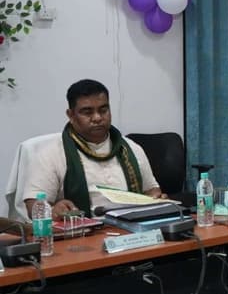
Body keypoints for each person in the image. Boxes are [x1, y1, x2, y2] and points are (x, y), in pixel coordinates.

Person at [22, 79, 164, 219]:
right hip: (80, 230)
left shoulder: (131, 148)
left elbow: (151, 190)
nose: (97, 118)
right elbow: (33, 207)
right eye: (87, 112)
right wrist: (54, 211)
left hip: (131, 228)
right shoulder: (51, 153)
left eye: (103, 110)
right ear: (71, 115)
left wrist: (156, 198)